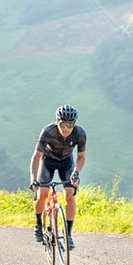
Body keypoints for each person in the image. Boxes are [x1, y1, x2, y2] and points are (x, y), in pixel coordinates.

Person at [30, 104, 86, 249]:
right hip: (47, 162)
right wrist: (33, 180)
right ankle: (38, 224)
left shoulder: (79, 134)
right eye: (62, 124)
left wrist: (76, 172)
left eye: (70, 124)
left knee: (69, 194)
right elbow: (36, 156)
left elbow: (81, 157)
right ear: (57, 121)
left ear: (74, 123)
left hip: (66, 163)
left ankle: (68, 235)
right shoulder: (48, 132)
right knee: (42, 194)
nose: (66, 128)